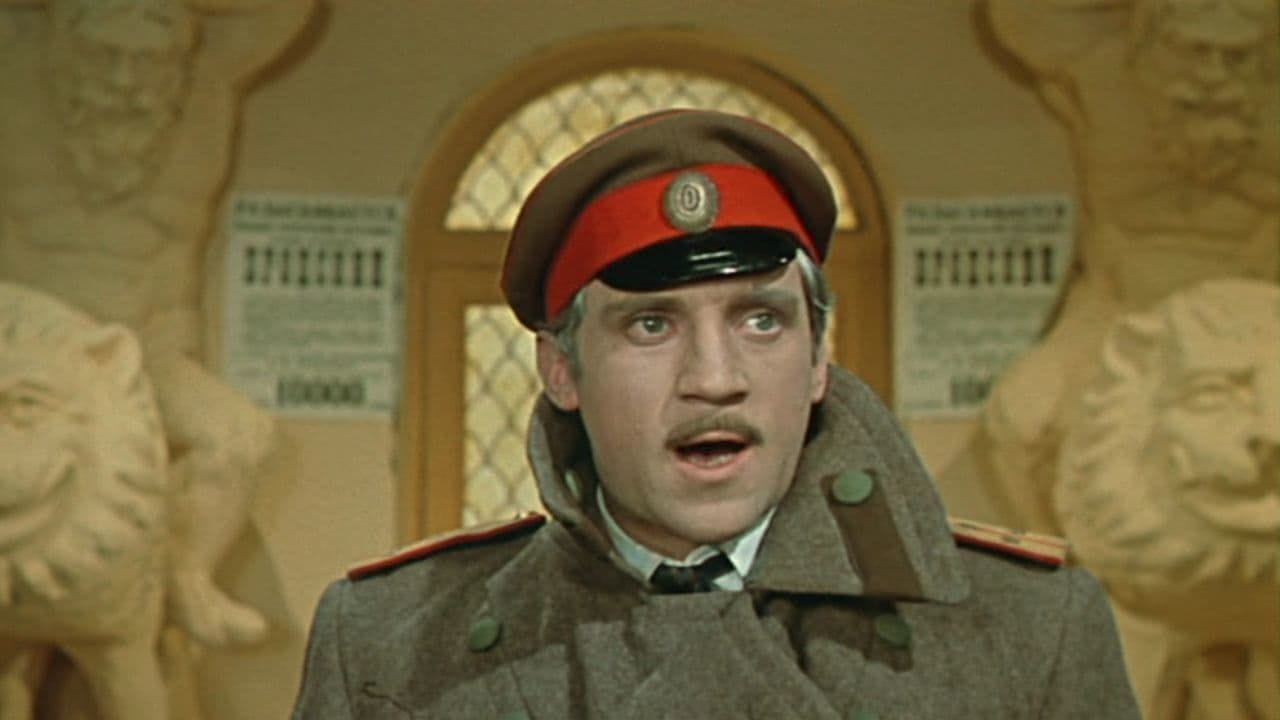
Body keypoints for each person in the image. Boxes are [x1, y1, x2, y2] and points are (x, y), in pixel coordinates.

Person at [290, 110, 1140, 718]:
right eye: (651, 325)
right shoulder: (390, 645)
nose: (715, 378)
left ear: (818, 360)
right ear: (562, 370)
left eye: (761, 320)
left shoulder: (1028, 629)